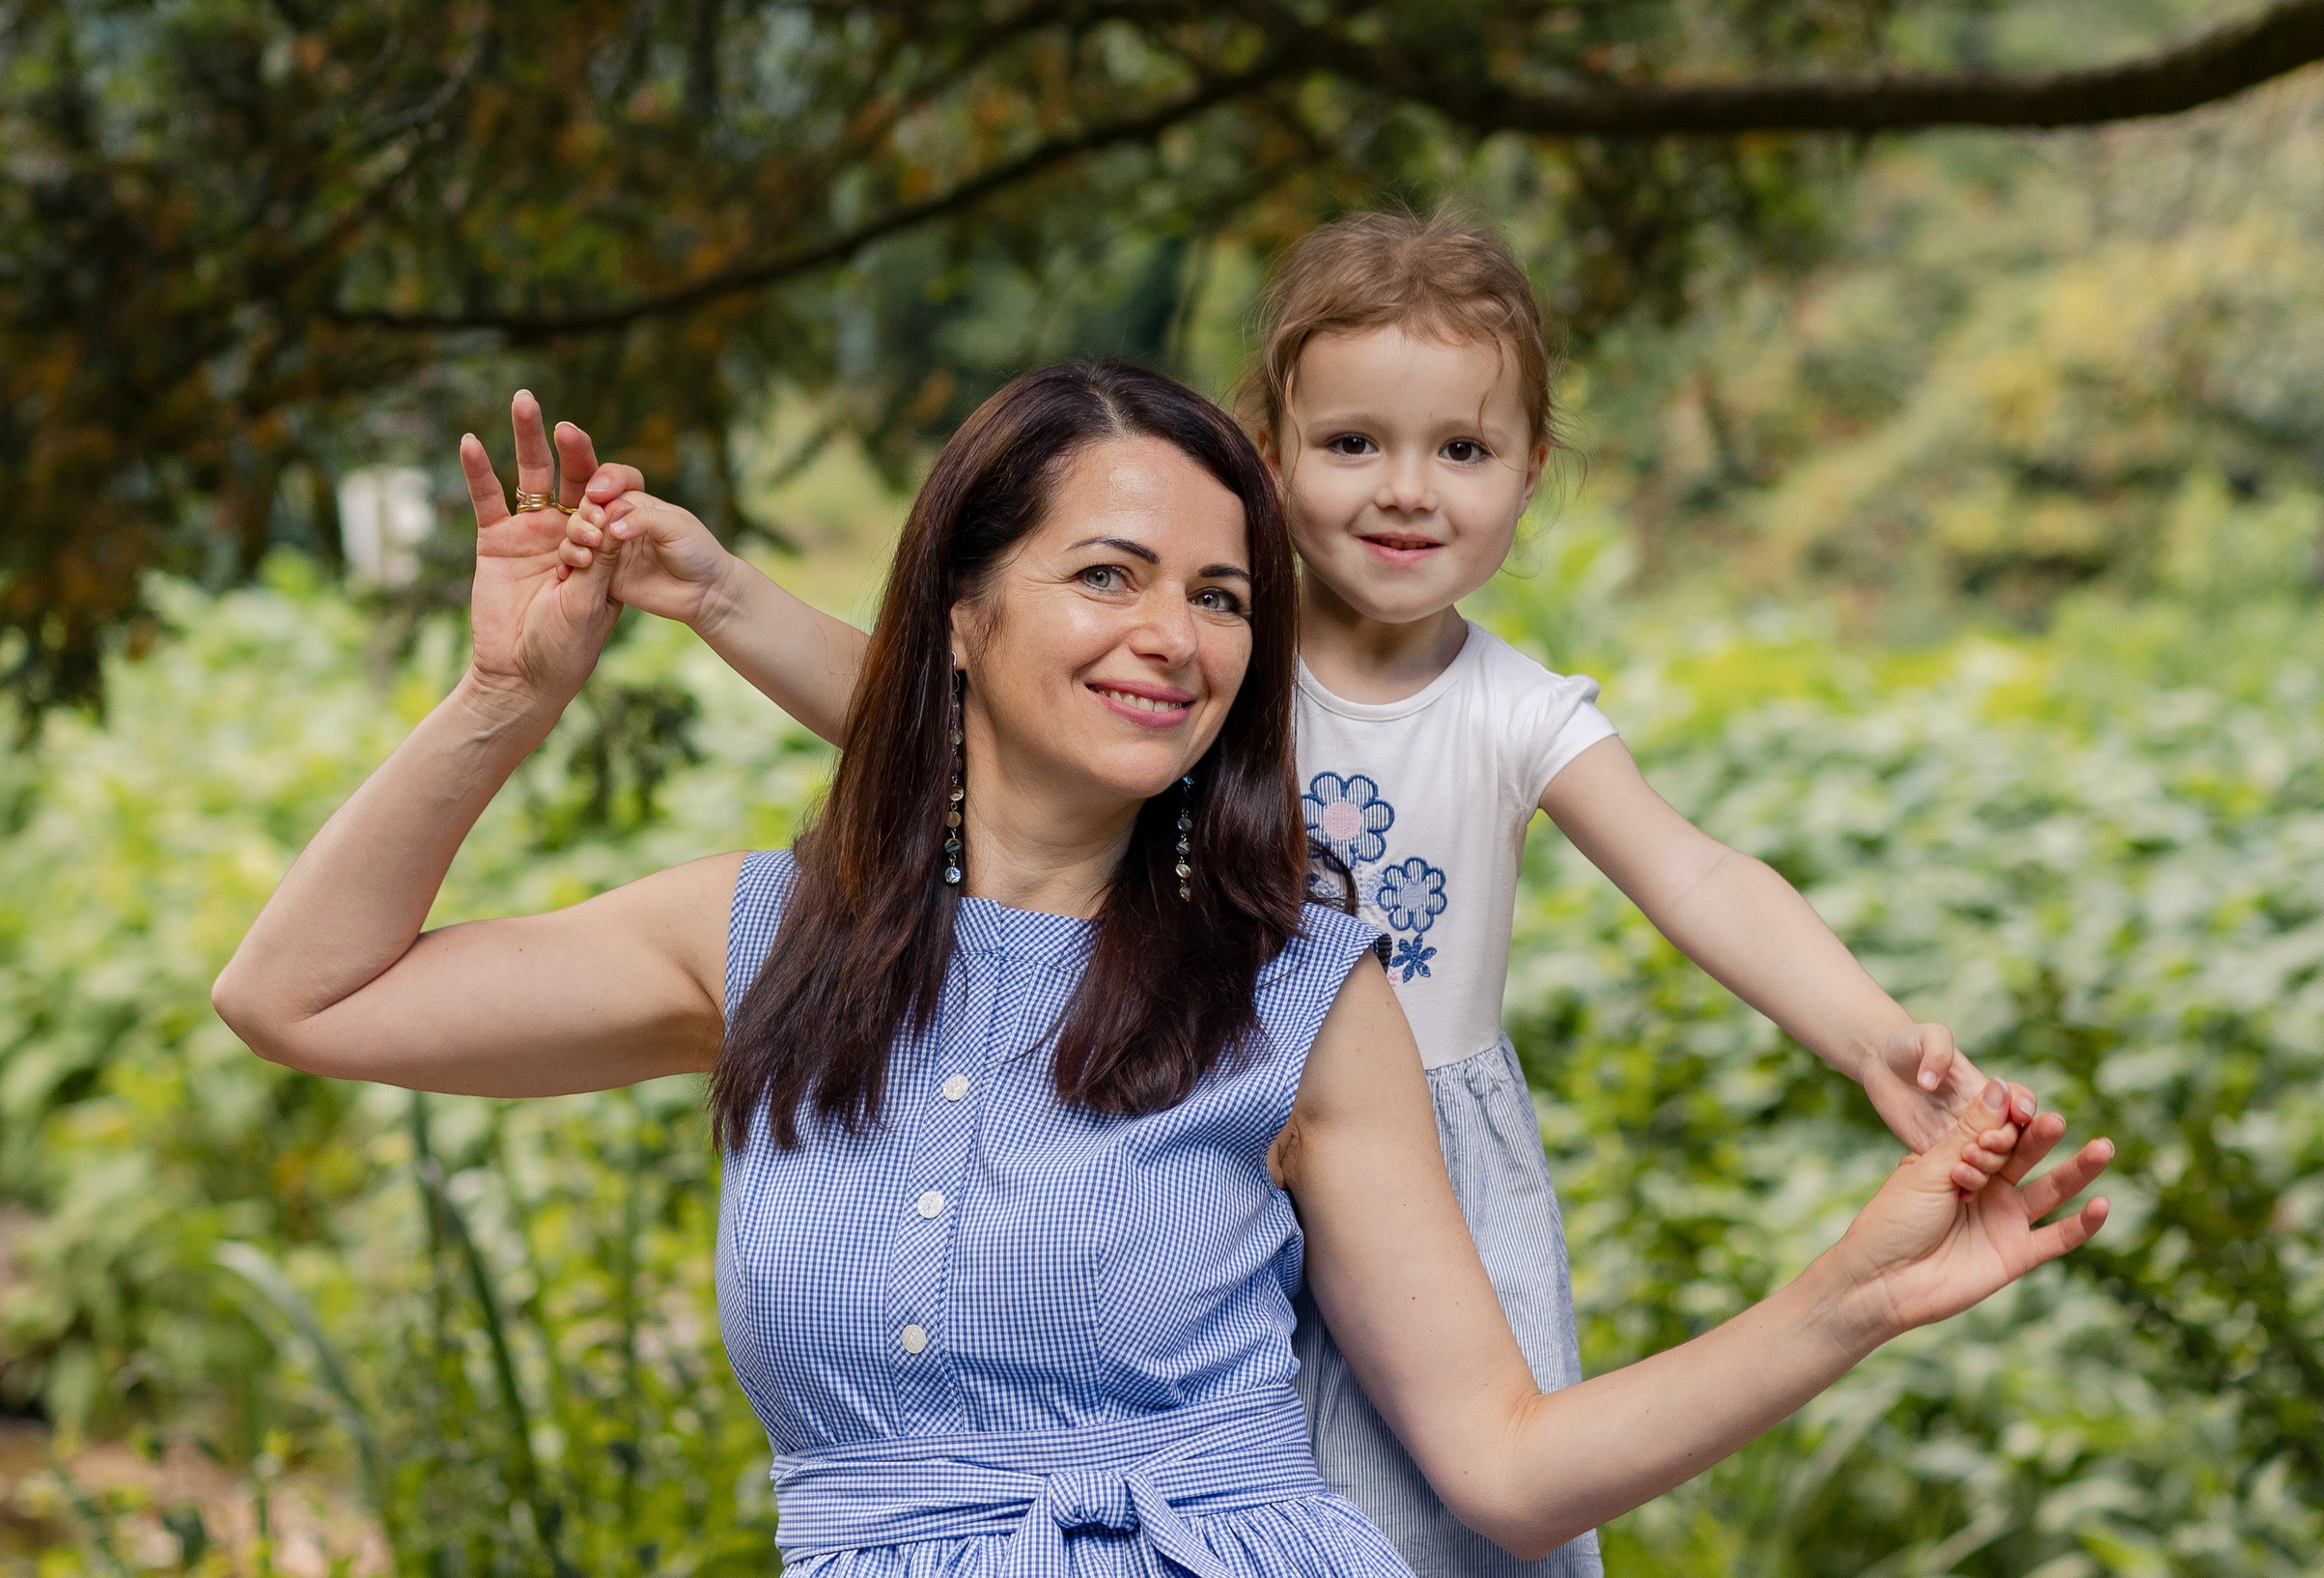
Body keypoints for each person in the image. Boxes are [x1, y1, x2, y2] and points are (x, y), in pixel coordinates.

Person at [217, 366, 2110, 1578]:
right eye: (1109, 573)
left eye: (1219, 595)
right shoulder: (763, 934)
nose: (1176, 633)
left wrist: (1846, 1296)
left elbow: (1506, 1468)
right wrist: (500, 701)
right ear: (957, 612)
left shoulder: (1292, 984)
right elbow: (302, 994)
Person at [556, 212, 2003, 1578]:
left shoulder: (1506, 708)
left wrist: (1871, 1035)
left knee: (1441, 1510)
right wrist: (723, 596)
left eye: (1462, 448)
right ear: (1270, 459)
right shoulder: (1196, 652)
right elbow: (916, 704)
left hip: (1396, 1125)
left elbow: (1694, 871)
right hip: (1170, 1103)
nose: (1404, 488)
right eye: (1355, 441)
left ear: (1532, 470)